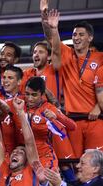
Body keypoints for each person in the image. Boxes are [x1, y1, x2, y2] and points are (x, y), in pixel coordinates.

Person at [41, 0, 103, 157]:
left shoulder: (100, 58)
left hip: (96, 119)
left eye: (81, 34)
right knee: (76, 164)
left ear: (90, 38)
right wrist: (47, 21)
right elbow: (51, 39)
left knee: (96, 163)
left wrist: (98, 106)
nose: (76, 38)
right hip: (73, 120)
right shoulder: (66, 53)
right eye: (74, 34)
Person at [0, 93, 45, 186]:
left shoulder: (31, 171)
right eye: (14, 151)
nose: (15, 153)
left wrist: (20, 112)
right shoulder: (4, 169)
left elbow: (29, 142)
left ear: (27, 160)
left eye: (21, 153)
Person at [11, 77, 77, 168]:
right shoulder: (18, 102)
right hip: (23, 157)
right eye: (27, 94)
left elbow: (73, 126)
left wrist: (57, 117)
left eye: (34, 95)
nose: (29, 98)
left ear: (42, 94)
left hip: (43, 155)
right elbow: (5, 107)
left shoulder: (49, 108)